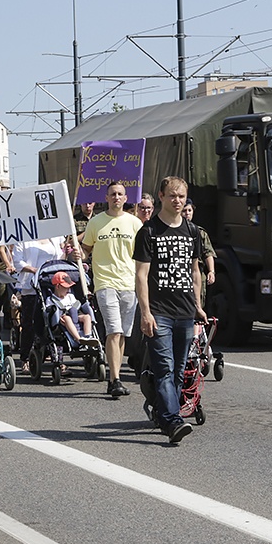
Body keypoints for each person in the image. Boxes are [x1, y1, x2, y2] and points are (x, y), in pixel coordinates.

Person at [134, 176, 206, 444]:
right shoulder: (149, 232)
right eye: (173, 196)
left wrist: (198, 306)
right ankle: (174, 421)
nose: (178, 201)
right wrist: (146, 313)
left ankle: (165, 415)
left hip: (185, 312)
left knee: (178, 370)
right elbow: (141, 275)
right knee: (164, 368)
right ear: (161, 197)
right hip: (159, 312)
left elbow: (195, 271)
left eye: (182, 196)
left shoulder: (193, 231)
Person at [81, 181, 143, 397]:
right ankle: (114, 379)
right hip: (105, 283)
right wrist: (81, 255)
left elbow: (142, 255)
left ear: (126, 198)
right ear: (106, 198)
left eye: (120, 194)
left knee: (123, 334)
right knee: (113, 331)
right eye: (112, 194)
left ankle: (114, 375)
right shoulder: (96, 222)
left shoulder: (135, 223)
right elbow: (86, 249)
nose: (116, 197)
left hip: (129, 284)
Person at [12, 236, 66, 373]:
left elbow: (60, 258)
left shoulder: (54, 238)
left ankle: (57, 358)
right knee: (29, 323)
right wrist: (35, 270)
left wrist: (70, 253)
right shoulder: (23, 239)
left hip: (50, 285)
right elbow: (17, 262)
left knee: (54, 322)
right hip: (31, 286)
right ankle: (25, 358)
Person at [181, 198, 216, 310]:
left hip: (197, 272)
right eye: (184, 211)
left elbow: (208, 253)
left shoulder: (199, 232)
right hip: (179, 272)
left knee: (198, 305)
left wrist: (211, 271)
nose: (187, 214)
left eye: (189, 211)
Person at [45, 271, 95, 346]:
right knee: (67, 318)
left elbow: (77, 304)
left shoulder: (70, 296)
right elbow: (49, 311)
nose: (68, 290)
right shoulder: (51, 299)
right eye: (66, 288)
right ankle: (79, 339)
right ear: (58, 286)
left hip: (75, 315)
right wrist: (57, 316)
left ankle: (88, 336)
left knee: (87, 317)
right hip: (61, 320)